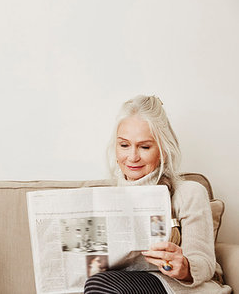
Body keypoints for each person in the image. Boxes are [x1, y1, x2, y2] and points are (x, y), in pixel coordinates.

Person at [84, 96, 231, 293]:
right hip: (117, 285)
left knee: (99, 284)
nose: (133, 157)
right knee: (99, 282)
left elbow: (203, 263)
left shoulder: (189, 192)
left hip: (178, 288)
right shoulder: (105, 198)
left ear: (162, 150)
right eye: (124, 145)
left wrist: (184, 267)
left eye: (144, 147)